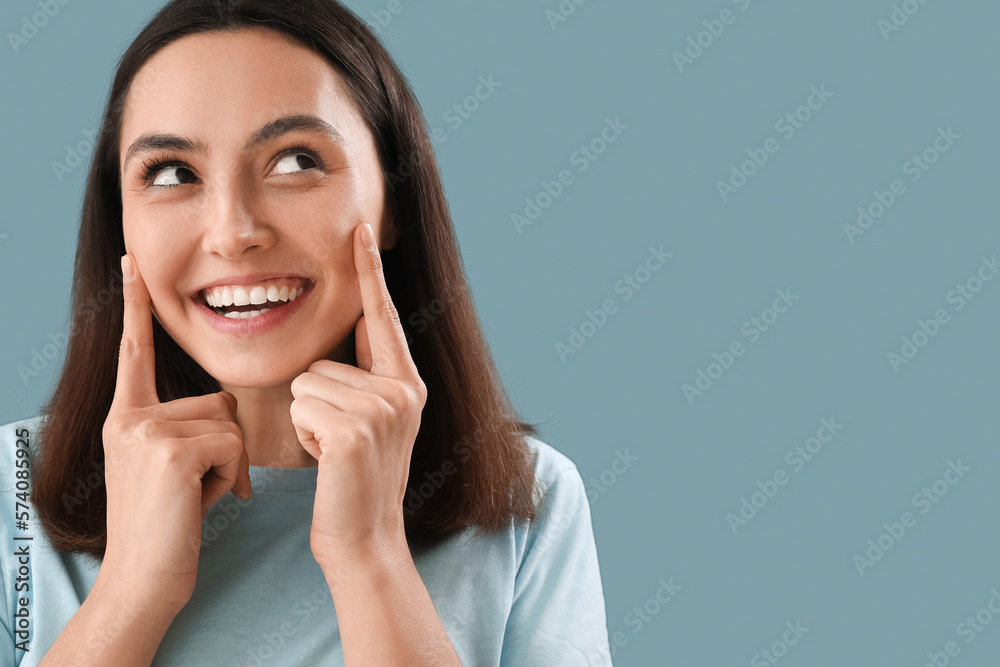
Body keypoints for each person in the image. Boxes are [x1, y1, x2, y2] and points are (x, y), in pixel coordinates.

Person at [0, 0, 613, 665]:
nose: (234, 232)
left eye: (295, 161)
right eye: (172, 173)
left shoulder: (532, 500)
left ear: (395, 199)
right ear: (120, 219)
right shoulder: (11, 489)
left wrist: (370, 555)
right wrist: (131, 589)